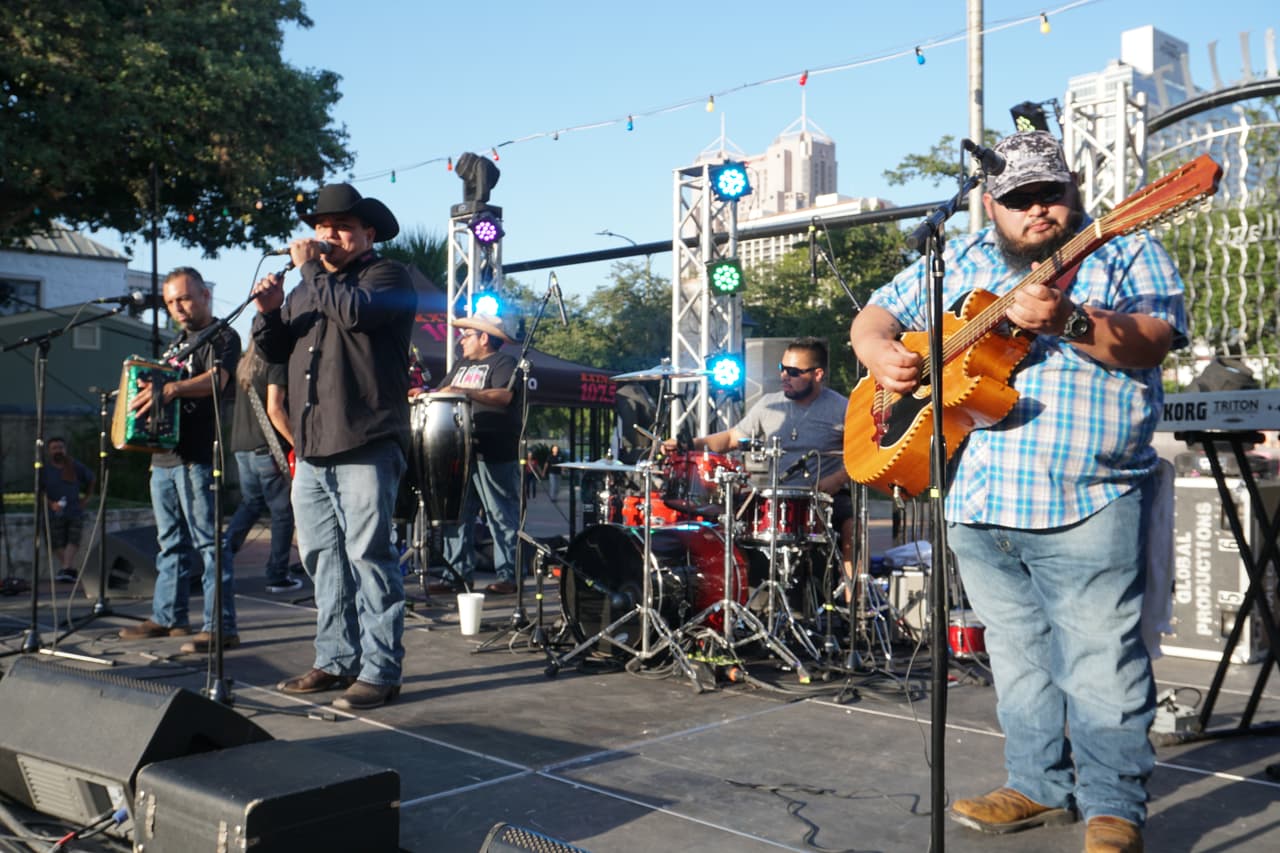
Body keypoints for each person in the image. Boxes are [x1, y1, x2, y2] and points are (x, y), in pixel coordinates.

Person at [849, 130, 1184, 853]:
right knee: (1018, 655)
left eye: (1050, 195)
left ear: (1073, 192)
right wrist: (882, 354)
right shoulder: (962, 256)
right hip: (975, 498)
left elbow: (1155, 338)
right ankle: (1036, 782)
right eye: (1018, 199)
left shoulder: (1124, 247)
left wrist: (1066, 319)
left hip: (1086, 498)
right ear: (991, 205)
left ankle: (1112, 808)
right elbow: (874, 316)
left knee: (1101, 660)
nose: (1038, 211)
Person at [253, 183, 415, 711]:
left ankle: (380, 670)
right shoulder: (307, 287)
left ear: (368, 233)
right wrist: (270, 313)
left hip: (366, 437)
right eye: (322, 228)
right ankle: (334, 658)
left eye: (341, 228)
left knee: (368, 554)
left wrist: (310, 273)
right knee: (322, 558)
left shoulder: (387, 277)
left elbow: (354, 314)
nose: (327, 237)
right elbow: (276, 351)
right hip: (314, 444)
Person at [663, 337, 854, 587]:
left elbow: (863, 456)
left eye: (794, 372)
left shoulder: (843, 408)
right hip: (777, 496)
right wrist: (688, 445)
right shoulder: (769, 404)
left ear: (818, 374)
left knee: (853, 526)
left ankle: (855, 606)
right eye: (782, 368)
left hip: (825, 498)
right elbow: (732, 437)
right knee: (724, 517)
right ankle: (730, 594)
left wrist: (838, 479)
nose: (785, 376)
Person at [118, 267, 241, 655]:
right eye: (171, 302)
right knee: (169, 544)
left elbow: (217, 381)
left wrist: (171, 388)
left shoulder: (223, 336)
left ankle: (221, 626)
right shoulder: (176, 344)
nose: (178, 308)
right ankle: (169, 617)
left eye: (185, 298)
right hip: (164, 458)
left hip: (199, 456)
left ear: (205, 294)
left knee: (208, 545)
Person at [432, 313, 521, 596]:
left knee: (500, 514)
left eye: (467, 335)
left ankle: (509, 575)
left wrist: (465, 392)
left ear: (484, 338)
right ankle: (456, 575)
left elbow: (505, 396)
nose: (461, 341)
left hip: (493, 448)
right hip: (459, 448)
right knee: (457, 513)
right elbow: (443, 391)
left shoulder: (503, 363)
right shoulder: (461, 365)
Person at [223, 339, 300, 594]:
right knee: (282, 512)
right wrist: (297, 443)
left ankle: (221, 558)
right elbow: (275, 412)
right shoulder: (274, 364)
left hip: (241, 448)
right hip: (266, 448)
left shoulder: (244, 365)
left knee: (251, 504)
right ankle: (277, 575)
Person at [43, 437, 95, 584]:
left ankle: (66, 569)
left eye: (60, 448)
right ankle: (69, 570)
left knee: (73, 539)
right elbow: (39, 491)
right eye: (54, 448)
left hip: (74, 510)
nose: (58, 451)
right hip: (54, 512)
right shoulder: (45, 470)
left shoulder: (75, 466)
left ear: (65, 449)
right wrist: (51, 504)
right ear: (49, 451)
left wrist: (86, 499)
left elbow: (91, 479)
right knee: (55, 543)